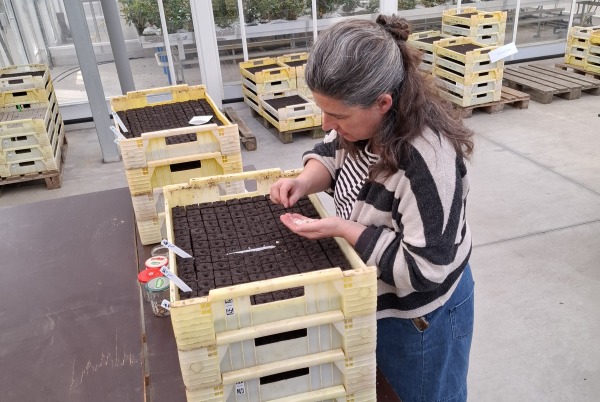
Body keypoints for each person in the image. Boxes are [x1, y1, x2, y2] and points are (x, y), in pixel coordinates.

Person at [269, 14, 475, 402]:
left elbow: (425, 269)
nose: (327, 124)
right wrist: (305, 181)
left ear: (383, 103)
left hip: (421, 317)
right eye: (323, 110)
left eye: (337, 115)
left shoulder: (427, 163)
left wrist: (344, 230)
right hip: (379, 297)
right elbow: (331, 152)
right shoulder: (364, 125)